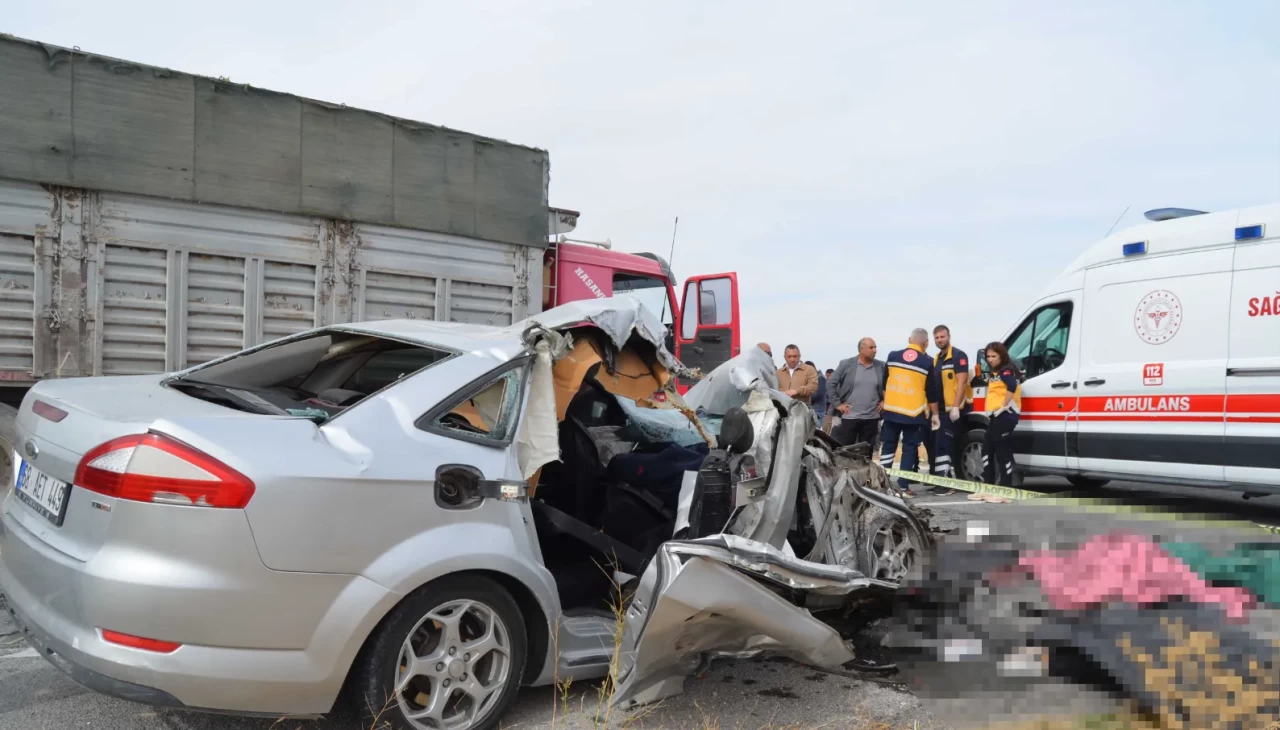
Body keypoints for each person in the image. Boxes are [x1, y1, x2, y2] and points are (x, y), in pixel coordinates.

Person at [879, 329, 939, 496]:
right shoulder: (927, 362)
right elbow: (931, 391)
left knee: (888, 447)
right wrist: (935, 415)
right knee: (909, 449)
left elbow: (885, 383)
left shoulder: (892, 356)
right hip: (914, 413)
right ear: (926, 343)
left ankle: (882, 484)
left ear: (909, 340)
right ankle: (903, 487)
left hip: (891, 411)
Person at [926, 325, 972, 495]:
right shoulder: (937, 359)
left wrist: (955, 407)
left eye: (942, 337)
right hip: (941, 410)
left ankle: (946, 484)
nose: (940, 340)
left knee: (943, 445)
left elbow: (962, 382)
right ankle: (941, 480)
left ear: (949, 336)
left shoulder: (958, 356)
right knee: (938, 446)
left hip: (954, 409)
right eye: (937, 338)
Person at [828, 338, 886, 447]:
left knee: (866, 453)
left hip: (871, 418)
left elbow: (891, 385)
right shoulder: (846, 364)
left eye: (875, 347)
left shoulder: (881, 366)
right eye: (871, 347)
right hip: (849, 417)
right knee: (845, 451)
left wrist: (885, 400)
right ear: (861, 349)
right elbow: (831, 383)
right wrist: (837, 404)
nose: (875, 350)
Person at [981, 342, 1022, 487]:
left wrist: (1004, 405)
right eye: (988, 356)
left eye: (994, 356)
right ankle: (989, 486)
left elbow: (1012, 385)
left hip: (1005, 416)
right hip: (996, 416)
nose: (990, 359)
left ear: (1002, 356)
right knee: (987, 450)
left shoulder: (1006, 370)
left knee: (1002, 452)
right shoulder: (995, 373)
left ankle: (1006, 488)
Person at [822, 368, 837, 432]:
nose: (827, 378)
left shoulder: (836, 385)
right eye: (826, 376)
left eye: (828, 376)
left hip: (832, 412)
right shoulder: (826, 384)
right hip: (825, 411)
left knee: (828, 429)